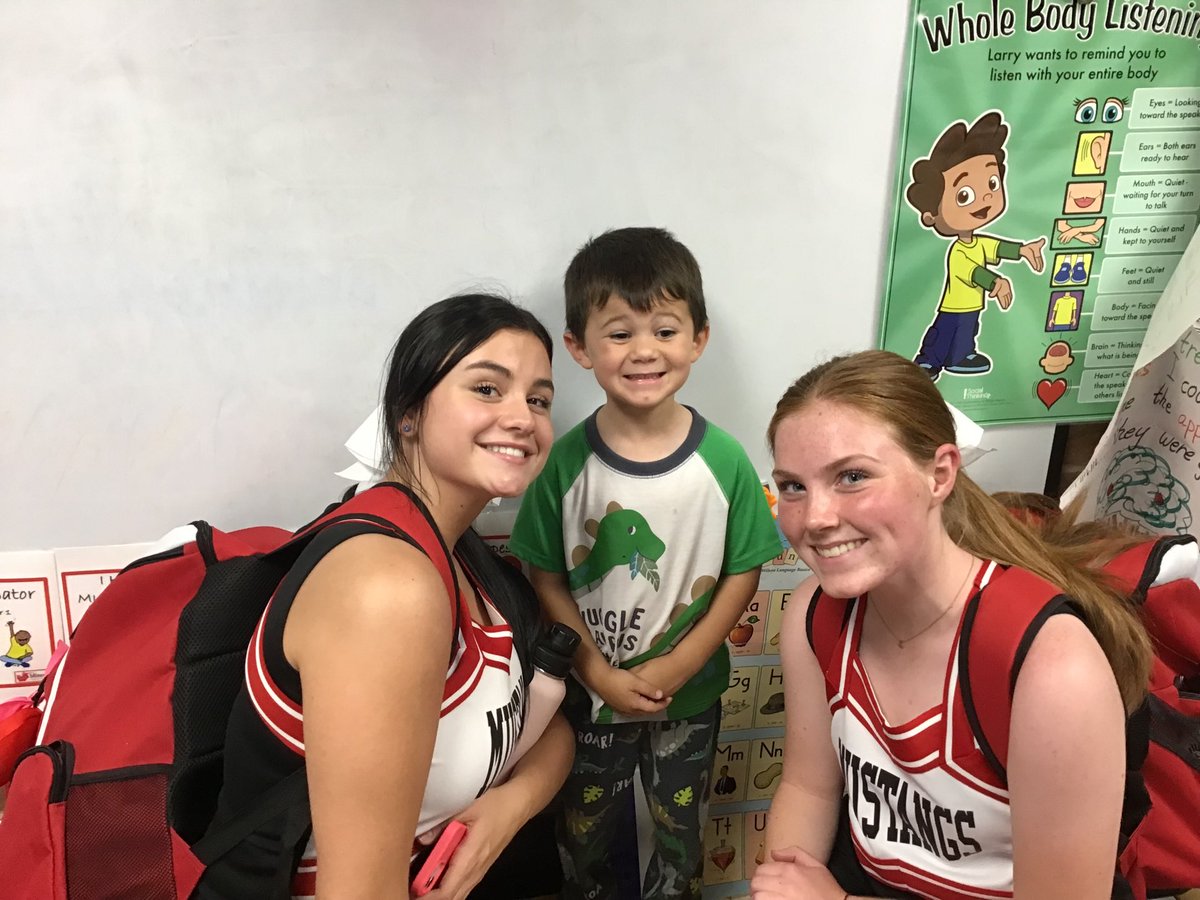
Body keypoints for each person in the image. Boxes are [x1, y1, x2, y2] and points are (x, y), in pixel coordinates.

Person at [194, 294, 574, 900]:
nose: (523, 418)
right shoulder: (388, 586)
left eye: (539, 399)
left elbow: (545, 728)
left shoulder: (463, 558)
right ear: (407, 415)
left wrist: (508, 808)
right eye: (486, 389)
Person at [753, 350, 1152, 900]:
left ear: (939, 474)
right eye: (792, 486)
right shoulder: (813, 614)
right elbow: (808, 787)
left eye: (851, 476)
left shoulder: (1051, 667)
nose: (815, 517)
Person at [510, 226, 782, 899]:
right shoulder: (562, 465)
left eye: (664, 330)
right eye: (620, 332)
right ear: (578, 347)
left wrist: (680, 664)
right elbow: (543, 573)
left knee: (680, 834)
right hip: (588, 699)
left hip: (688, 700)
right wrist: (595, 670)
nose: (643, 352)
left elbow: (743, 570)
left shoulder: (724, 462)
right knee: (580, 834)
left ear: (698, 339)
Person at [906, 112, 1045, 381]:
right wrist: (995, 283)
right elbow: (972, 272)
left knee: (968, 332)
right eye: (964, 195)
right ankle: (927, 361)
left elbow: (998, 248)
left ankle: (962, 356)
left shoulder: (979, 241)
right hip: (954, 306)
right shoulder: (958, 251)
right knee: (943, 333)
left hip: (972, 306)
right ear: (931, 215)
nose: (983, 200)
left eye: (992, 184)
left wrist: (1024, 250)